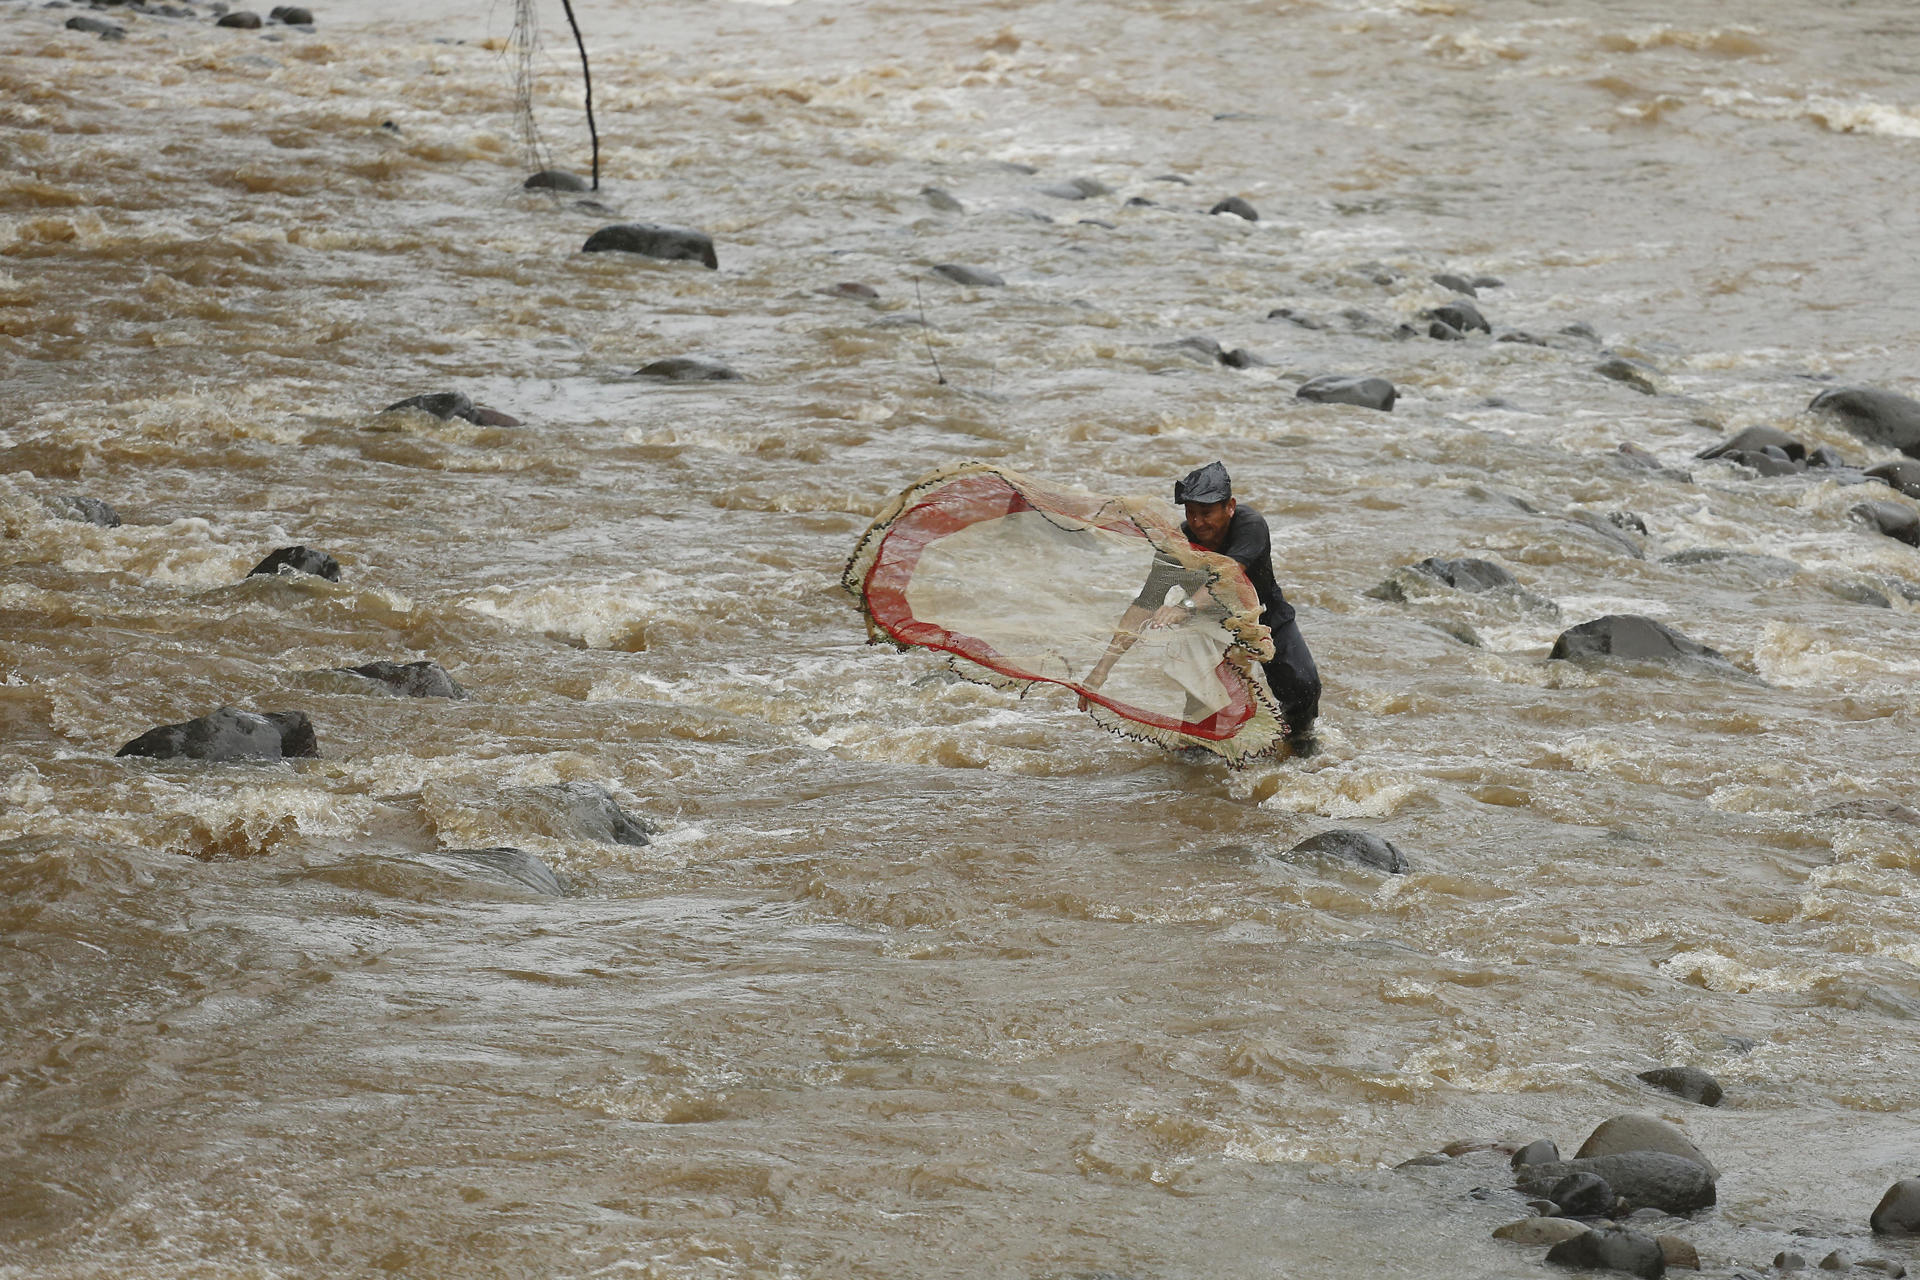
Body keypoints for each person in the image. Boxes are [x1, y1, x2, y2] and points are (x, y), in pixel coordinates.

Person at [1080, 461, 1320, 753]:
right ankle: (1193, 769)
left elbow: (1229, 575)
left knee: (1304, 685)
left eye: (1206, 513)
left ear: (1229, 507)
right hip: (1210, 629)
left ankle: (1299, 743)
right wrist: (1100, 671)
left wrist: (1186, 606)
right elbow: (1145, 603)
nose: (1198, 522)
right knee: (1202, 714)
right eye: (1190, 513)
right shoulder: (1178, 545)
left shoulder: (1250, 525)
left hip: (1265, 617)